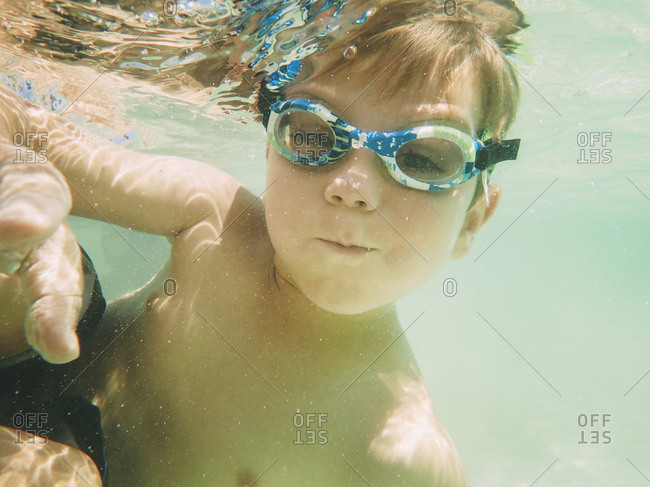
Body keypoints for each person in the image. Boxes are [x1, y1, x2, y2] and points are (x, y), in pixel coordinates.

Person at [0, 1, 527, 485]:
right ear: (271, 146)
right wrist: (20, 175)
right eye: (315, 135)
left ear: (473, 218)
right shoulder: (212, 214)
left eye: (423, 159)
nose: (353, 188)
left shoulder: (403, 458)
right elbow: (25, 126)